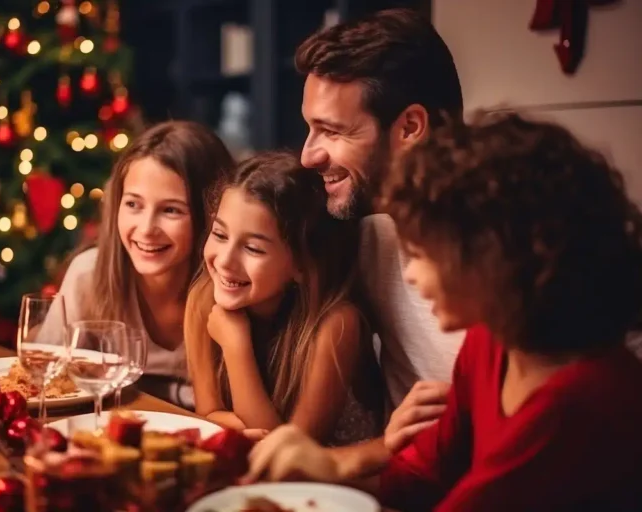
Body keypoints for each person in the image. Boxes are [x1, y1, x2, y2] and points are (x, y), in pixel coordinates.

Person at [246, 113, 642, 510]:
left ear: (494, 258)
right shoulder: (492, 340)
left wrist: (327, 467)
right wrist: (325, 465)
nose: (413, 276)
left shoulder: (578, 402)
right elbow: (420, 476)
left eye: (421, 254)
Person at [294, 6, 466, 465]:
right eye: (310, 128)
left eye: (331, 130)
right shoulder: (367, 236)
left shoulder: (519, 253)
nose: (307, 155)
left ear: (409, 127)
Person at [184, 151, 383, 446]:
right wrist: (251, 431)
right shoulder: (203, 301)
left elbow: (290, 452)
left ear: (301, 265)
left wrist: (236, 347)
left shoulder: (336, 324)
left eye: (253, 248)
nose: (225, 261)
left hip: (328, 486)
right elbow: (207, 414)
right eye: (220, 235)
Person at [40, 120, 234, 409]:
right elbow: (45, 378)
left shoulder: (230, 289)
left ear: (210, 215)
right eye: (133, 204)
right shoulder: (88, 276)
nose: (146, 229)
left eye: (171, 210)